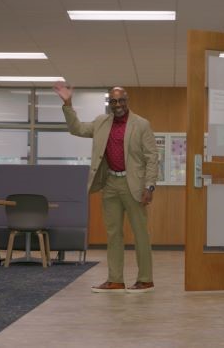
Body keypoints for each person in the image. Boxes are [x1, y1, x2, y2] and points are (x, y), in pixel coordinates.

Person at [53, 82, 158, 293]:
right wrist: (68, 104)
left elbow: (152, 157)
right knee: (113, 234)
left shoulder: (141, 124)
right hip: (110, 183)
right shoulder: (102, 122)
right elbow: (77, 128)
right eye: (113, 101)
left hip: (134, 185)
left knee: (140, 234)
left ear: (127, 101)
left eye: (121, 100)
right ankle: (115, 280)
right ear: (109, 103)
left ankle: (145, 279)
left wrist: (150, 186)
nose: (117, 104)